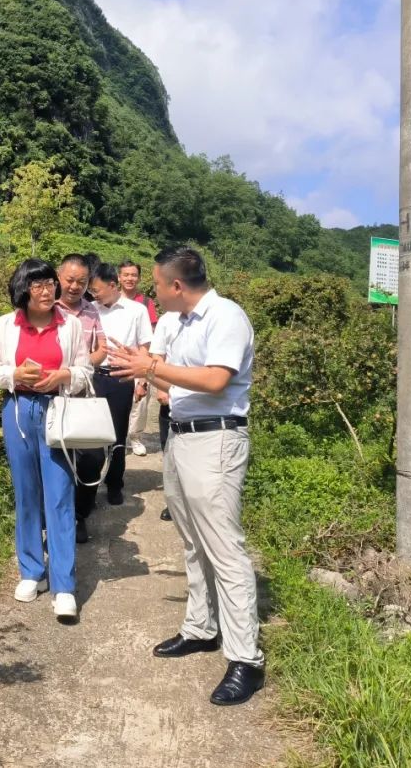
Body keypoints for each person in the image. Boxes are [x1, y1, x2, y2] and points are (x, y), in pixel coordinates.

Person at [109, 246, 265, 706]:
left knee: (224, 548)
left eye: (157, 284)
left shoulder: (225, 316)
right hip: (180, 436)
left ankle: (246, 659)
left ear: (177, 285)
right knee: (193, 541)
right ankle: (201, 627)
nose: (153, 291)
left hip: (216, 439)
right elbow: (167, 378)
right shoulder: (175, 321)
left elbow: (216, 380)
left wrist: (152, 367)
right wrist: (139, 369)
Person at [0, 259, 93, 621]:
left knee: (60, 495)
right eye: (37, 285)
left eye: (49, 283)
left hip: (58, 410)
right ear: (23, 289)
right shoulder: (5, 325)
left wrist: (64, 375)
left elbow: (85, 370)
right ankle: (32, 571)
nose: (46, 291)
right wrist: (14, 374)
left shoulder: (70, 324)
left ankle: (64, 585)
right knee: (26, 493)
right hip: (18, 411)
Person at [84, 263, 153, 507]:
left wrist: (142, 381)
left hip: (122, 378)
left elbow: (145, 347)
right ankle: (88, 488)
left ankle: (114, 483)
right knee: (91, 437)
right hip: (94, 377)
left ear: (112, 285)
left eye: (96, 290)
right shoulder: (90, 309)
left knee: (118, 435)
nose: (93, 294)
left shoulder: (137, 310)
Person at [54, 254, 108, 545]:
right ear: (59, 277)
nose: (75, 286)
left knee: (92, 456)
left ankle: (80, 514)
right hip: (51, 394)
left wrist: (81, 365)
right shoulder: (47, 307)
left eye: (82, 282)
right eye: (70, 280)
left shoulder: (91, 311)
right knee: (57, 456)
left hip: (83, 394)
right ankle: (55, 519)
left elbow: (102, 348)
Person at [119, 260, 158, 457]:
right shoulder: (111, 301)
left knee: (139, 401)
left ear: (139, 278)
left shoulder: (146, 303)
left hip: (140, 359)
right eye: (126, 275)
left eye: (133, 275)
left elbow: (152, 335)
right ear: (118, 277)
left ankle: (134, 437)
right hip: (116, 359)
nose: (129, 278)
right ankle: (114, 439)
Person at [143, 309, 179, 520]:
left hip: (199, 401)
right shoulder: (167, 319)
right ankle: (173, 502)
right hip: (170, 394)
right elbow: (157, 357)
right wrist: (161, 388)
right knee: (169, 449)